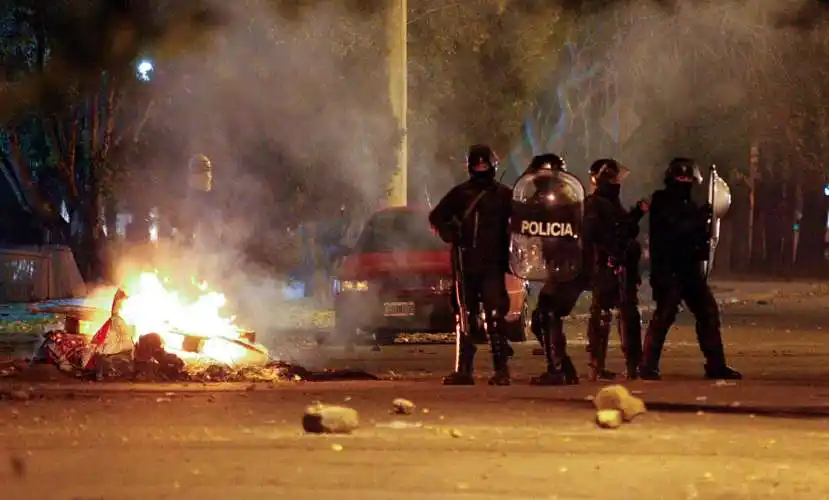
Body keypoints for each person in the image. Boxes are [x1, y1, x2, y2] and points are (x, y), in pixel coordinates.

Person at [639, 158, 742, 380]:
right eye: (681, 178)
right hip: (670, 270)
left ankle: (716, 365)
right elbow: (676, 228)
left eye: (688, 179)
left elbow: (696, 235)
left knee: (708, 313)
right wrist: (697, 219)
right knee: (664, 315)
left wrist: (704, 229)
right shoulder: (662, 201)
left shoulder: (690, 204)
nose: (685, 183)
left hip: (690, 269)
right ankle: (647, 365)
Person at [429, 144, 514, 385]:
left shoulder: (504, 195)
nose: (480, 168)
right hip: (465, 263)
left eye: (483, 164)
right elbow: (436, 217)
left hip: (492, 264)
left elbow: (520, 224)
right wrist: (449, 231)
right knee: (465, 315)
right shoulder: (460, 194)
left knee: (495, 315)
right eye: (477, 165)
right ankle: (464, 369)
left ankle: (501, 370)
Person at [517, 153, 583, 386]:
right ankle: (564, 368)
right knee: (540, 317)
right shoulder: (554, 200)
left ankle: (558, 370)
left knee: (547, 313)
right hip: (562, 267)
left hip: (570, 267)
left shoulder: (562, 202)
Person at [582, 159, 648, 381]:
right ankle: (597, 365)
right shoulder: (594, 204)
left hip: (623, 265)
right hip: (606, 265)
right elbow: (600, 235)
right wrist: (612, 254)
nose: (615, 182)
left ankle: (633, 365)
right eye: (610, 177)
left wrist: (637, 214)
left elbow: (623, 231)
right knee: (602, 312)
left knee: (628, 313)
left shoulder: (611, 203)